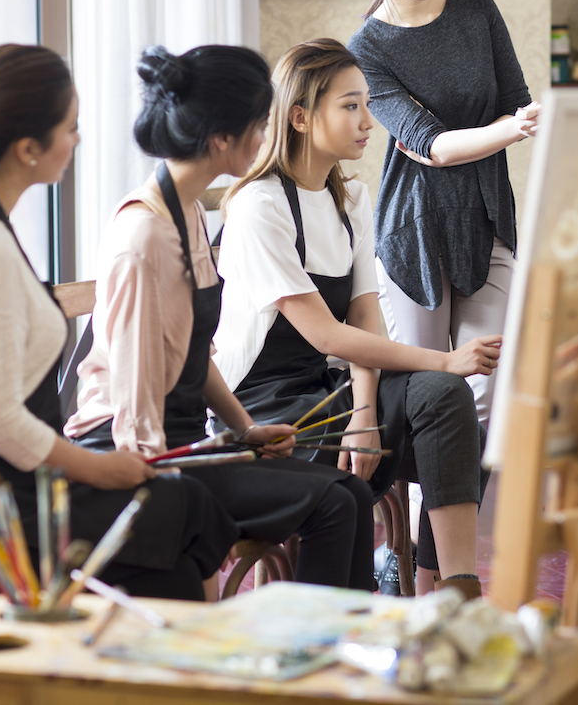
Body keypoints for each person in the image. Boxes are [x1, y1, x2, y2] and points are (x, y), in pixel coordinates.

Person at [0, 44, 238, 601]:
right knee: (183, 509)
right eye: (71, 127)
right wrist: (98, 470)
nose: (77, 140)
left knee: (176, 544)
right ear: (28, 147)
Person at [64, 44, 373, 591]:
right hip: (134, 456)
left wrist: (245, 430)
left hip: (186, 442)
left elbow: (194, 357)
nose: (267, 137)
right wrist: (165, 494)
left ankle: (341, 655)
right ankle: (310, 660)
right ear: (221, 138)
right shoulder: (145, 237)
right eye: (259, 124)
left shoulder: (188, 213)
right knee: (332, 501)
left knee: (347, 493)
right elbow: (135, 416)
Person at [215, 40, 497, 599]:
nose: (369, 122)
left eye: (367, 104)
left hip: (331, 390)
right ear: (300, 117)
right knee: (444, 379)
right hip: (264, 408)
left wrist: (364, 412)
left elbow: (364, 319)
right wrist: (443, 357)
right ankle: (366, 608)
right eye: (350, 106)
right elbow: (324, 332)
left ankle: (447, 592)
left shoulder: (352, 201)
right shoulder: (259, 207)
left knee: (448, 402)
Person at [347, 0, 538, 433]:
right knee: (427, 398)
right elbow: (430, 145)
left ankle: (449, 519)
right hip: (415, 231)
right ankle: (422, 516)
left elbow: (513, 102)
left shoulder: (477, 9)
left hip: (487, 219)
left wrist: (514, 120)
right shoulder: (366, 49)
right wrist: (512, 129)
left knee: (485, 394)